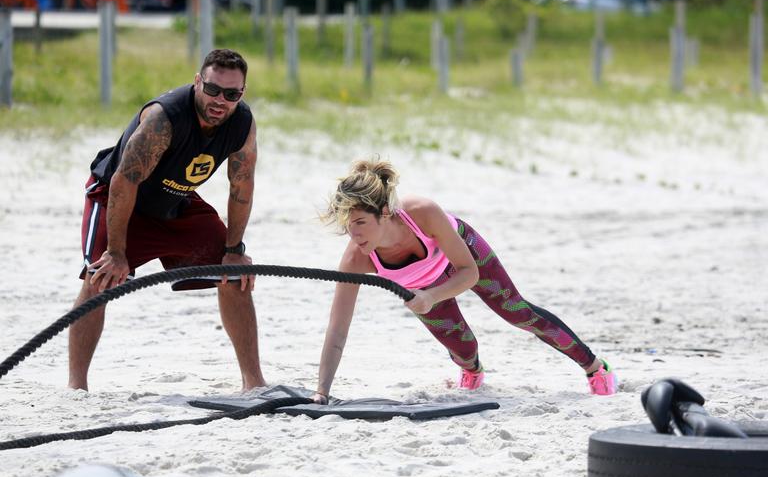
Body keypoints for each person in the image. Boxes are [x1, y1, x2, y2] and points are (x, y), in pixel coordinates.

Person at [312, 159, 618, 403]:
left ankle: (595, 368)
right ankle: (472, 372)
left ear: (384, 213)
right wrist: (321, 392)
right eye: (348, 226)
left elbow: (468, 273)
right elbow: (338, 329)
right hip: (423, 288)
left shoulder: (422, 212)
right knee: (464, 349)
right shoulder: (356, 258)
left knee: (516, 312)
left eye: (361, 223)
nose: (355, 234)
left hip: (462, 259)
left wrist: (430, 296)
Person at [68, 49, 265, 391]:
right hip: (118, 199)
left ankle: (254, 383)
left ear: (242, 94)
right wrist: (117, 252)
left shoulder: (242, 124)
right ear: (197, 82)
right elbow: (123, 181)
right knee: (99, 277)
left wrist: (235, 248)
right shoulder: (165, 118)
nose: (220, 100)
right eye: (213, 90)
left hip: (175, 201)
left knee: (233, 272)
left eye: (231, 94)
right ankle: (77, 386)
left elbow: (242, 185)